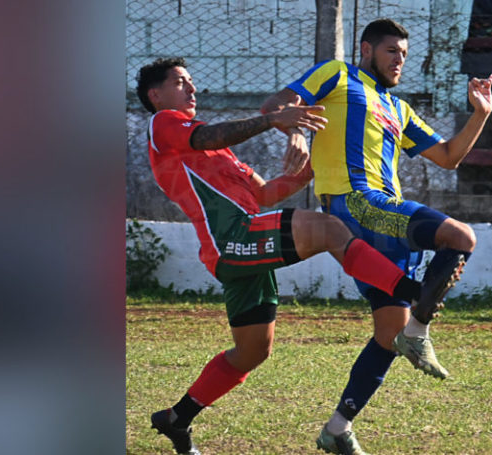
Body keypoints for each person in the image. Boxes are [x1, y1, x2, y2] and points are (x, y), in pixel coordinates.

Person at [136, 57, 445, 455]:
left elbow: (263, 195)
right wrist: (272, 120)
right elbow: (208, 137)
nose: (193, 89)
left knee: (252, 352)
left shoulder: (218, 154)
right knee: (328, 229)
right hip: (234, 240)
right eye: (181, 82)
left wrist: (314, 165)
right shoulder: (164, 126)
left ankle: (176, 418)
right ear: (155, 94)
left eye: (192, 82)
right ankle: (413, 292)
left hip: (242, 248)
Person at [261, 18, 492, 454]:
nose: (400, 60)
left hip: (378, 221)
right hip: (359, 204)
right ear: (366, 50)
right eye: (392, 52)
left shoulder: (399, 108)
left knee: (389, 330)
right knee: (460, 238)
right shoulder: (337, 74)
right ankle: (421, 331)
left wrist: (481, 114)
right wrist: (296, 131)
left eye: (404, 54)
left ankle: (336, 429)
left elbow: (447, 157)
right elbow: (279, 103)